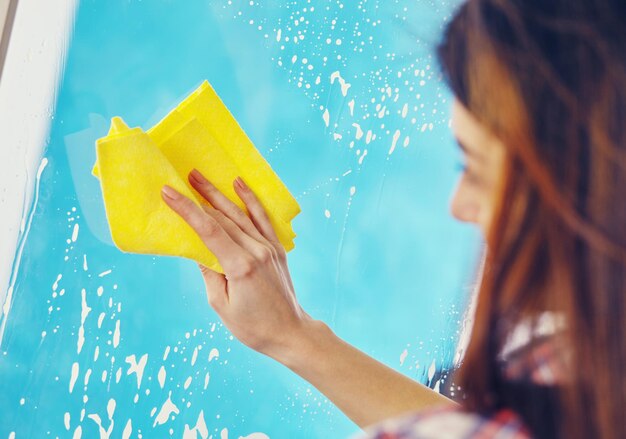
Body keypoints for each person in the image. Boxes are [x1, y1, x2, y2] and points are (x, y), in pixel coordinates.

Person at [159, 0, 626, 437]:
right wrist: (291, 334)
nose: (458, 205)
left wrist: (292, 337)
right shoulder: (586, 360)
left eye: (475, 169)